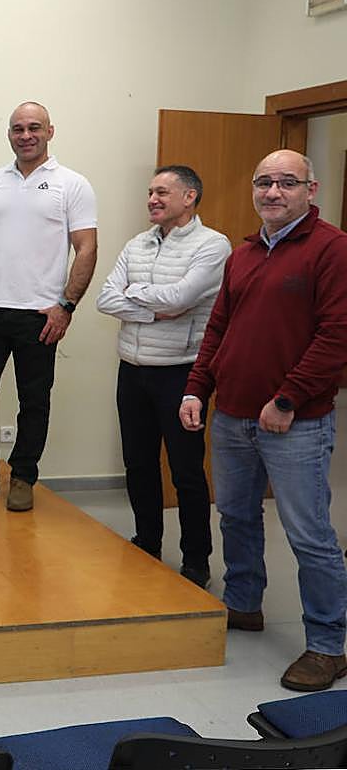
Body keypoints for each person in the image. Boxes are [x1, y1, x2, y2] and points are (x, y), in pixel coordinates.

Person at [181, 149, 347, 692]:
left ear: (310, 190)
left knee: (309, 535)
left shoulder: (332, 249)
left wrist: (287, 399)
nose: (272, 192)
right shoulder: (246, 253)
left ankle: (327, 644)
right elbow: (219, 328)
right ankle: (244, 604)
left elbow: (335, 337)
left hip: (294, 421)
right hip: (231, 417)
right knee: (235, 516)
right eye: (264, 183)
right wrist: (196, 389)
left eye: (286, 183)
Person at [0, 102, 98, 511]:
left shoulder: (72, 184)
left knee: (34, 401)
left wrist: (65, 305)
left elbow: (86, 247)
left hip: (40, 315)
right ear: (9, 134)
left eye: (34, 127)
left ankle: (22, 477)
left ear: (50, 131)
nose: (26, 135)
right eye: (18, 128)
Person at [96, 165, 230, 588]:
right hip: (132, 369)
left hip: (181, 373)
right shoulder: (137, 245)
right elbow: (105, 297)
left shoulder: (213, 246)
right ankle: (147, 541)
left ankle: (196, 560)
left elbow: (183, 297)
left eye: (162, 192)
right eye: (150, 192)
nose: (152, 199)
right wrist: (157, 307)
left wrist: (135, 298)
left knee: (186, 471)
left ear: (189, 197)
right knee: (138, 462)